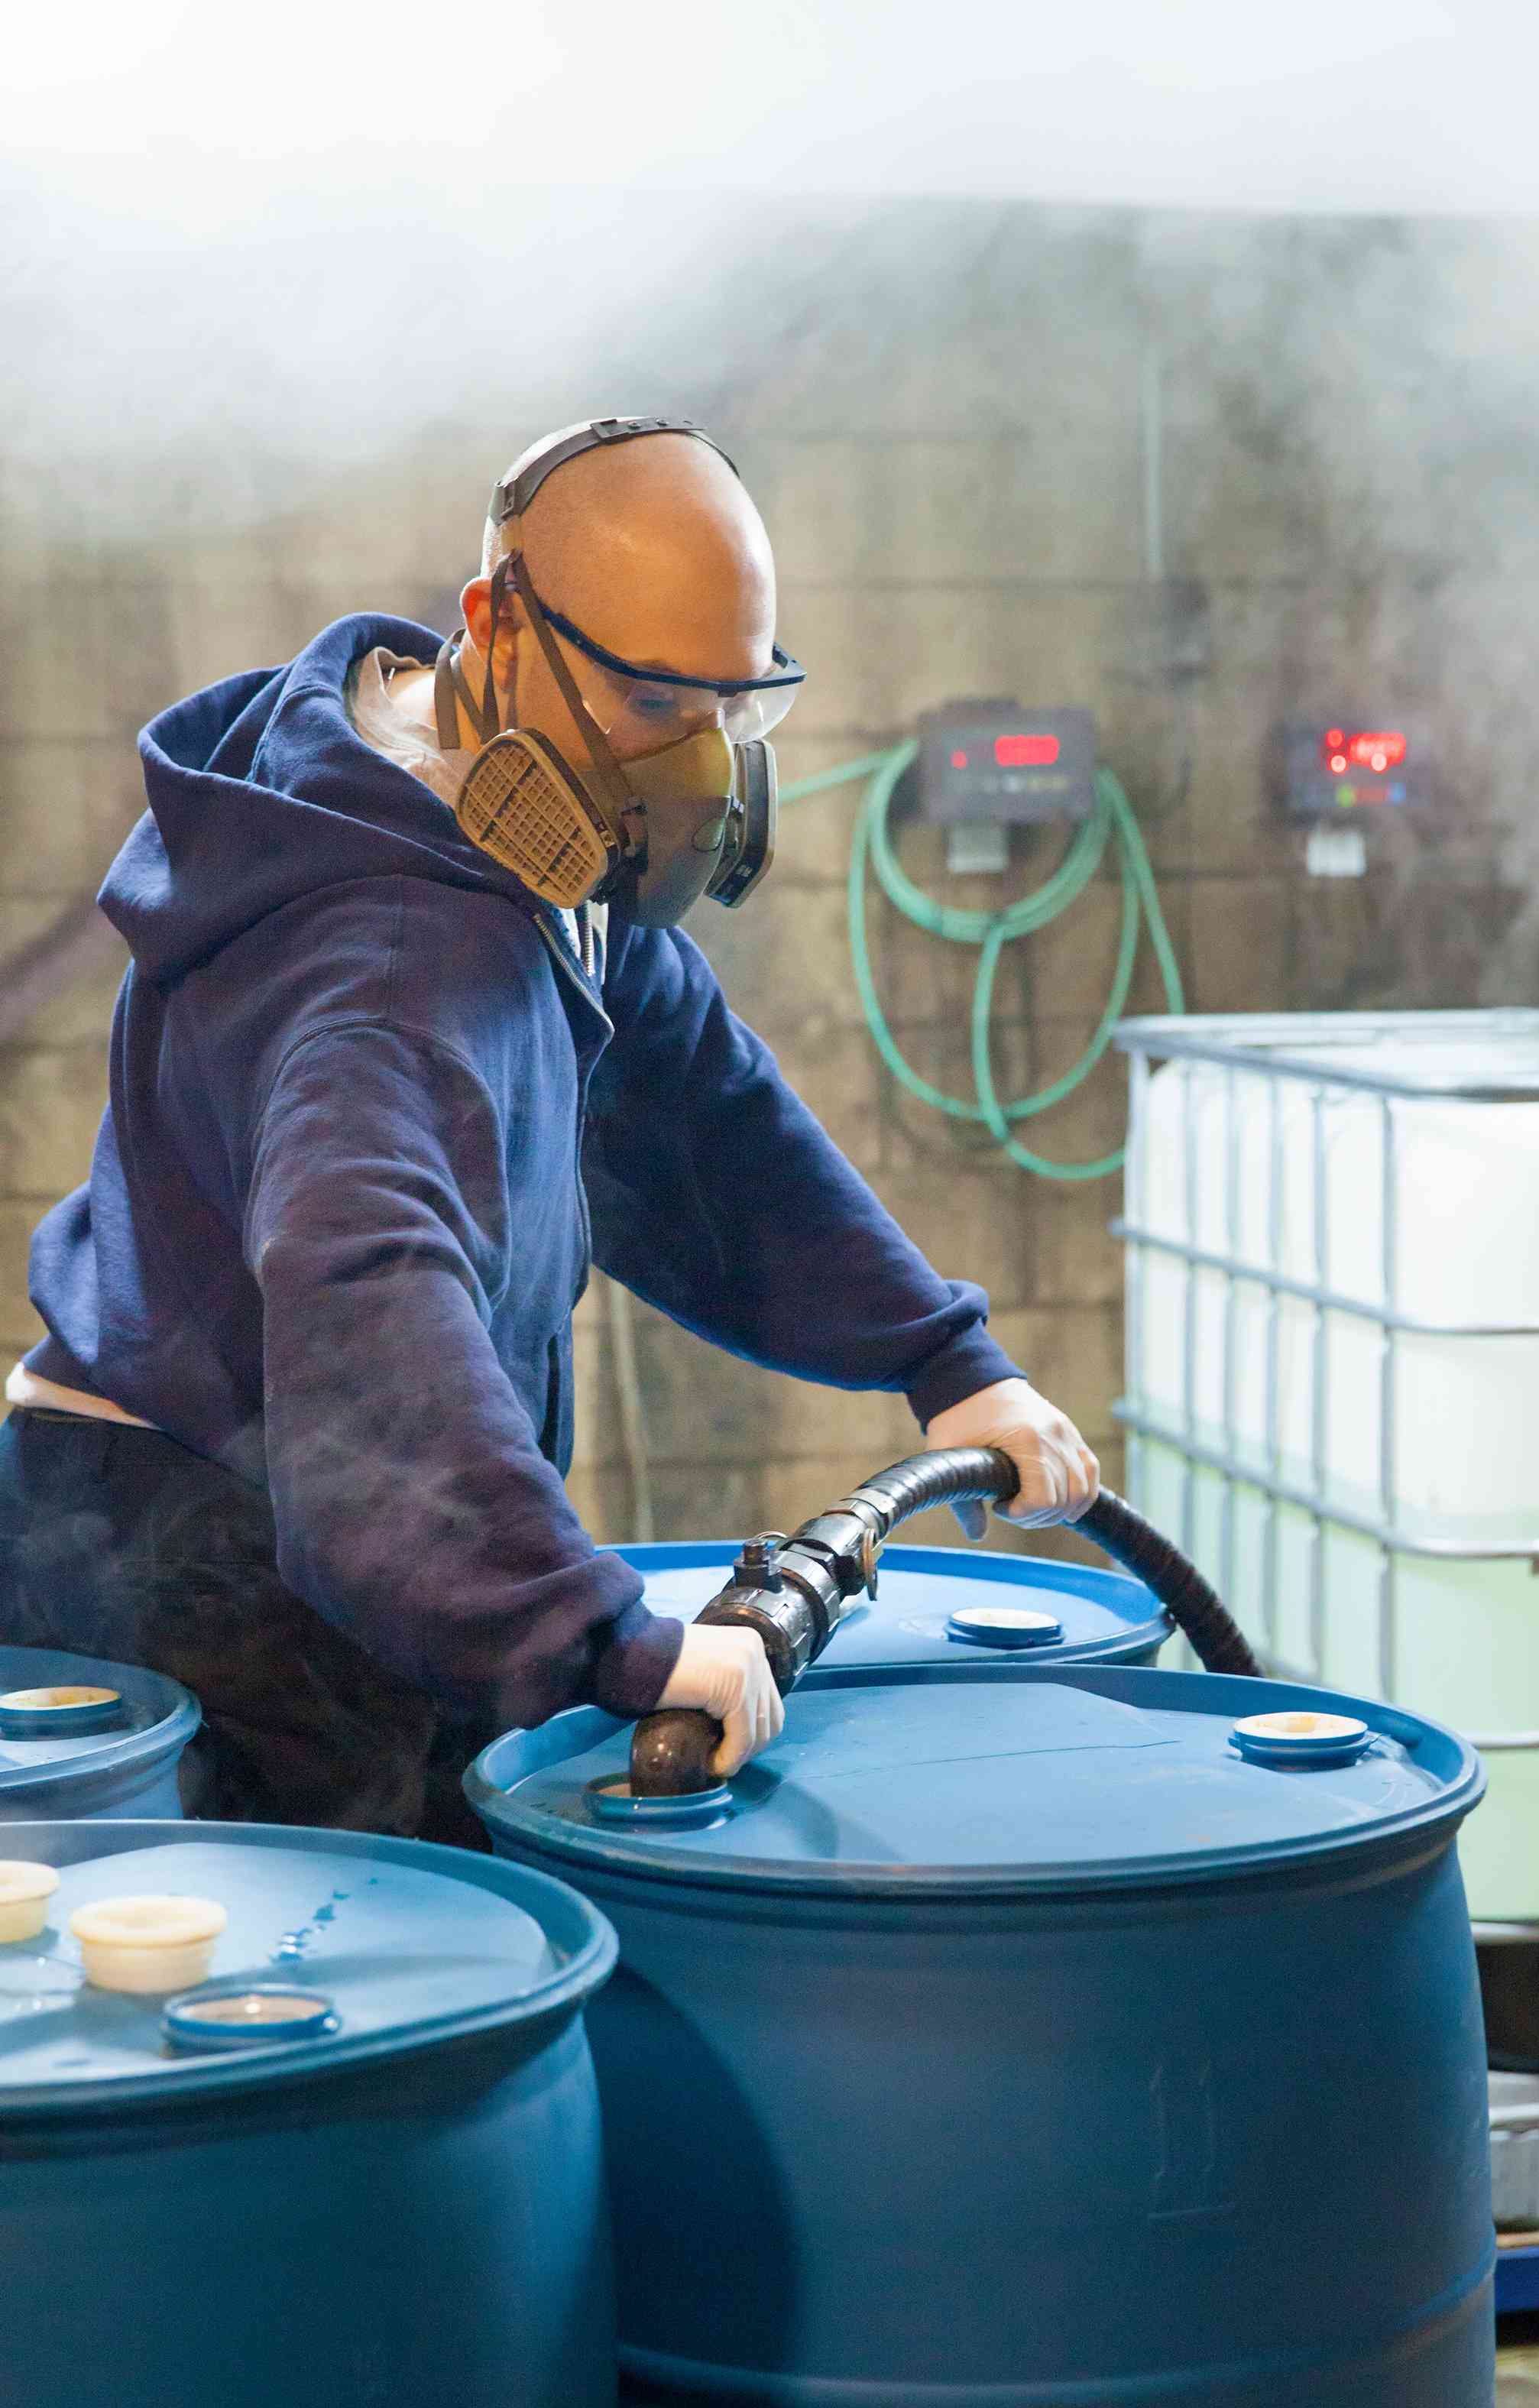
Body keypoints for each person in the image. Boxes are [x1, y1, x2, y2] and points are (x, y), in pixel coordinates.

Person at [0, 417, 1100, 1841]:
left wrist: (942, 1360)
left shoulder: (524, 823)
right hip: (198, 1553)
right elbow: (369, 1333)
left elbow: (698, 1116)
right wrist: (603, 1641)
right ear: (493, 625)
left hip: (339, 1519)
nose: (699, 766)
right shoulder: (381, 978)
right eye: (654, 700)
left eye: (736, 708)